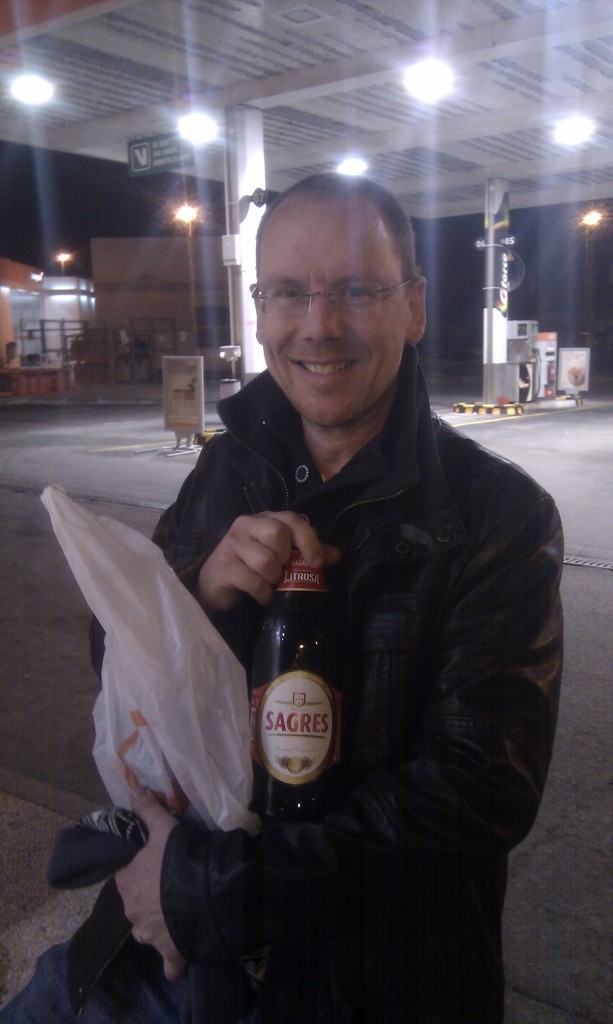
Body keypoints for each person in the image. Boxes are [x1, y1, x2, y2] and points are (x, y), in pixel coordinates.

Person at [1, 172, 563, 1023]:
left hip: (357, 981)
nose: (317, 324)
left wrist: (207, 893)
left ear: (412, 306)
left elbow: (477, 793)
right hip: (155, 954)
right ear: (257, 310)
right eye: (288, 292)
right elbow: (118, 649)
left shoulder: (496, 518)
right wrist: (201, 598)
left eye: (354, 291)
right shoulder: (224, 468)